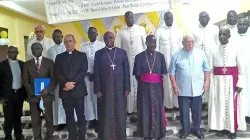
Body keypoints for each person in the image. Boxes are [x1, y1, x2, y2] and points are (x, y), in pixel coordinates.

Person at [168, 34, 210, 139]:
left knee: (197, 111)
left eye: (192, 41)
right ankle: (185, 130)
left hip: (197, 88)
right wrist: (174, 85)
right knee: (184, 112)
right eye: (188, 42)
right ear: (183, 43)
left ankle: (197, 129)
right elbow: (171, 72)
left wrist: (207, 81)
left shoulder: (201, 54)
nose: (190, 44)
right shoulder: (177, 55)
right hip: (183, 89)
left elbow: (206, 69)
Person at [208, 28, 246, 139]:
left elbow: (241, 69)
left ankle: (232, 129)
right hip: (217, 82)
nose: (222, 36)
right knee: (219, 105)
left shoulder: (236, 49)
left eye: (225, 34)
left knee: (231, 105)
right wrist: (211, 83)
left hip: (232, 82)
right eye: (220, 34)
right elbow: (210, 69)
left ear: (229, 36)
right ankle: (221, 127)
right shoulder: (213, 49)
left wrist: (240, 82)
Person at [94, 31, 130, 140]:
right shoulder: (99, 53)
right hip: (105, 88)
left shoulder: (122, 53)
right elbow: (96, 72)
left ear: (114, 39)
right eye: (107, 38)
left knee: (120, 111)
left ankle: (120, 136)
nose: (109, 40)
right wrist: (98, 89)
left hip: (119, 88)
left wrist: (127, 87)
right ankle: (106, 135)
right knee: (106, 111)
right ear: (104, 40)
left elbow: (127, 71)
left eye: (111, 38)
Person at [133, 35, 167, 140]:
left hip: (157, 88)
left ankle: (158, 133)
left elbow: (162, 74)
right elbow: (137, 75)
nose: (153, 45)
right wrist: (147, 80)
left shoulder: (161, 56)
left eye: (154, 43)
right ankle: (146, 133)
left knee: (157, 108)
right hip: (144, 88)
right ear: (146, 43)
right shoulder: (139, 57)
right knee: (145, 109)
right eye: (151, 42)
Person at [55, 34, 88, 140]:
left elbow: (83, 72)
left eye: (70, 41)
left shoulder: (82, 55)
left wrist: (72, 83)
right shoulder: (59, 57)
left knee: (80, 116)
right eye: (66, 42)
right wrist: (66, 83)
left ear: (74, 42)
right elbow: (57, 73)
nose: (68, 43)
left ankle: (82, 136)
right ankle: (72, 136)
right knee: (69, 116)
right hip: (65, 92)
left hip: (78, 90)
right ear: (64, 43)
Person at [23, 43, 56, 140]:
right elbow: (25, 81)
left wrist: (48, 90)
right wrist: (34, 92)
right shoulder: (27, 64)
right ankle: (37, 137)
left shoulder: (49, 62)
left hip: (46, 96)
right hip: (33, 97)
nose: (35, 50)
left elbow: (53, 78)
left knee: (49, 118)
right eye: (33, 49)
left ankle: (50, 136)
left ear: (42, 49)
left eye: (37, 48)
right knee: (35, 120)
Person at [115, 11, 146, 114]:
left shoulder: (141, 29)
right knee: (130, 86)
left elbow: (145, 46)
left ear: (134, 18)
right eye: (128, 18)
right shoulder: (120, 32)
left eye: (132, 17)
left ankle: (142, 108)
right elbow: (118, 49)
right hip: (127, 63)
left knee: (141, 84)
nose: (130, 19)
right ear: (125, 19)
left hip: (140, 63)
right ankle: (131, 110)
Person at [155, 11, 183, 110]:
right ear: (164, 19)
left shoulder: (179, 30)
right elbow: (156, 48)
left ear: (173, 18)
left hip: (177, 61)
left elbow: (181, 46)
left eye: (170, 18)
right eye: (166, 18)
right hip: (165, 60)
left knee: (177, 81)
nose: (168, 20)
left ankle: (177, 104)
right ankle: (168, 104)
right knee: (166, 81)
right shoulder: (159, 31)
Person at [80, 27, 105, 129]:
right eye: (90, 33)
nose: (91, 35)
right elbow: (81, 61)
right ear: (87, 34)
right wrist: (87, 73)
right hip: (87, 77)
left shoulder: (102, 45)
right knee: (88, 98)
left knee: (98, 97)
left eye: (93, 33)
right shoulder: (82, 46)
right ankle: (91, 119)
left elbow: (104, 62)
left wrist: (96, 74)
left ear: (97, 34)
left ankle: (99, 119)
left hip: (99, 77)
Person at [0, 46, 27, 140]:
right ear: (7, 53)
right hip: (7, 95)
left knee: (18, 116)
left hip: (19, 94)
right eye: (10, 52)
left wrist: (26, 95)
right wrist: (1, 98)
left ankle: (18, 134)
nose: (12, 53)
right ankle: (8, 136)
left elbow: (26, 80)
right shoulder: (2, 65)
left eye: (14, 52)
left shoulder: (22, 64)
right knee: (8, 117)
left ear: (17, 53)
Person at [192, 11, 219, 103]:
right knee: (200, 78)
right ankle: (202, 101)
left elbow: (218, 44)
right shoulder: (194, 30)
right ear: (198, 19)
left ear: (209, 18)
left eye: (205, 17)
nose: (203, 19)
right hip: (198, 59)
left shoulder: (215, 28)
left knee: (211, 78)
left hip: (212, 58)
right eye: (201, 17)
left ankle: (210, 101)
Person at [47, 29, 70, 130]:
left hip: (67, 79)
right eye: (55, 37)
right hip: (56, 80)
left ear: (62, 36)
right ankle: (60, 122)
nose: (57, 38)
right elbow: (49, 66)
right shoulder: (50, 50)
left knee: (68, 101)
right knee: (58, 101)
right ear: (52, 37)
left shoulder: (67, 48)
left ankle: (69, 121)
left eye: (59, 36)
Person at [236, 18, 250, 123]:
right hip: (239, 70)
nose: (241, 26)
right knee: (241, 91)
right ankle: (241, 114)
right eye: (239, 24)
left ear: (248, 25)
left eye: (244, 24)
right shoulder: (232, 37)